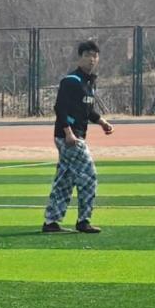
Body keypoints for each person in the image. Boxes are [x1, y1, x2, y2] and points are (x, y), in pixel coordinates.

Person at [42, 39, 114, 234]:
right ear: (80, 58)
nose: (92, 59)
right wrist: (68, 133)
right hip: (69, 137)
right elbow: (60, 108)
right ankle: (84, 221)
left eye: (95, 56)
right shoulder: (71, 81)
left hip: (75, 136)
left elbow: (87, 110)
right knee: (89, 176)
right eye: (87, 55)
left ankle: (51, 222)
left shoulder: (89, 83)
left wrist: (102, 122)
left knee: (65, 180)